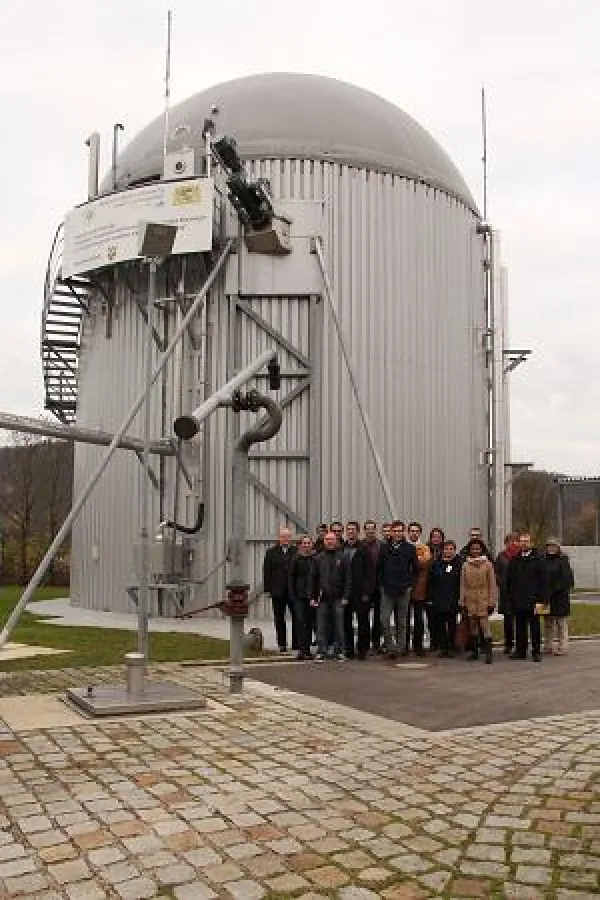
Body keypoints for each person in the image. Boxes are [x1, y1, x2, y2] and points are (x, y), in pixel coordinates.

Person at [377, 520, 418, 659]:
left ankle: (400, 648)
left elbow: (415, 569)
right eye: (395, 531)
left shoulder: (410, 549)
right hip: (387, 590)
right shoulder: (383, 548)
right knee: (384, 620)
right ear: (391, 532)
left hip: (403, 590)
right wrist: (382, 585)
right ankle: (390, 648)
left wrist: (409, 585)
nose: (398, 533)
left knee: (402, 621)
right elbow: (380, 568)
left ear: (403, 532)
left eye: (400, 530)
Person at [309, 530, 352, 661]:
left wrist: (346, 596)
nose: (330, 541)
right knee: (321, 626)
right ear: (324, 541)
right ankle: (321, 651)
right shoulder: (318, 558)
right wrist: (312, 597)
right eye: (327, 539)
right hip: (322, 599)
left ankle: (340, 651)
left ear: (336, 541)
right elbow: (313, 579)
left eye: (332, 539)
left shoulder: (343, 557)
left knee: (339, 626)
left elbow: (348, 578)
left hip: (338, 598)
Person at [506, 532, 548, 662]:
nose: (524, 544)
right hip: (518, 600)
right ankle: (520, 651)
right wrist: (511, 597)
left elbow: (544, 581)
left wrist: (542, 599)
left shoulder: (539, 559)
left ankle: (536, 652)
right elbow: (510, 581)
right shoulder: (515, 559)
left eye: (526, 541)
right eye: (522, 541)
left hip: (534, 600)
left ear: (531, 543)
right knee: (519, 627)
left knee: (535, 627)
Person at [460, 538, 497, 664]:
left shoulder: (488, 564)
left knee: (485, 625)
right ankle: (474, 652)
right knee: (473, 626)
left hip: (483, 597)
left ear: (482, 550)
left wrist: (492, 601)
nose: (475, 551)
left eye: (477, 548)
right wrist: (462, 601)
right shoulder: (465, 564)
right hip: (470, 598)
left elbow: (492, 584)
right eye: (473, 549)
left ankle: (488, 653)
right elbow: (463, 584)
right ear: (469, 550)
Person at [263, 527, 298, 653]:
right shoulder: (271, 552)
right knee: (279, 618)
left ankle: (296, 643)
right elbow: (267, 571)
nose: (285, 539)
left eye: (288, 537)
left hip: (293, 591)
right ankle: (282, 644)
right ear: (279, 538)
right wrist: (267, 589)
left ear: (291, 538)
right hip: (277, 591)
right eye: (283, 537)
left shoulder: (296, 551)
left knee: (297, 617)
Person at [350, 519, 382, 658]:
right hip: (363, 588)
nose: (370, 531)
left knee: (378, 618)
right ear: (364, 530)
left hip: (378, 586)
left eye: (372, 528)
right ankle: (363, 646)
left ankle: (375, 643)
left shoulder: (381, 546)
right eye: (367, 528)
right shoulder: (361, 546)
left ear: (375, 530)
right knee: (363, 618)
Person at [426, 540, 461, 657]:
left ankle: (451, 647)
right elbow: (430, 582)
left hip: (453, 600)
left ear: (455, 551)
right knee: (439, 625)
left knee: (452, 625)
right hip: (439, 600)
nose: (448, 551)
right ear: (442, 550)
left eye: (451, 549)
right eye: (446, 549)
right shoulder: (436, 564)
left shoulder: (459, 564)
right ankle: (443, 648)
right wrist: (430, 598)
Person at [542, 537, 574, 655]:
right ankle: (548, 645)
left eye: (553, 546)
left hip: (560, 597)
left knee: (561, 623)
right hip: (546, 597)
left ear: (558, 548)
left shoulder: (563, 560)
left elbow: (568, 580)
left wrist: (555, 588)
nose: (551, 548)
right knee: (548, 623)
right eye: (549, 546)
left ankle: (563, 646)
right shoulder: (543, 560)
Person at [288, 535, 316, 661]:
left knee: (309, 623)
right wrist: (292, 595)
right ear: (301, 545)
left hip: (311, 597)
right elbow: (291, 578)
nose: (306, 545)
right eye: (304, 543)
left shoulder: (315, 559)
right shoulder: (296, 559)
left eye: (308, 543)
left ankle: (307, 650)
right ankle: (301, 649)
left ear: (312, 545)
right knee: (300, 622)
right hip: (298, 596)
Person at [406, 522, 432, 655]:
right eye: (411, 531)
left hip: (419, 589)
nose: (414, 533)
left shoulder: (425, 548)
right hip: (404, 588)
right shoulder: (404, 546)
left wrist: (411, 560)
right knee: (404, 619)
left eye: (416, 531)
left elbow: (424, 562)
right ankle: (404, 646)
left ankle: (418, 646)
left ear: (420, 533)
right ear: (408, 532)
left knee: (418, 619)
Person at [494, 532, 521, 654]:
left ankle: (521, 644)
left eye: (515, 540)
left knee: (521, 620)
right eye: (509, 541)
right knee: (508, 621)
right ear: (506, 543)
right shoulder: (501, 556)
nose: (512, 543)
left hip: (520, 593)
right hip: (506, 593)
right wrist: (501, 583)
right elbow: (496, 572)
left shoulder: (522, 555)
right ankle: (508, 644)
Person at [342, 521, 362, 658]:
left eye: (353, 529)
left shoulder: (363, 548)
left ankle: (361, 649)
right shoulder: (341, 548)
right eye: (348, 529)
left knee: (362, 621)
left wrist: (367, 591)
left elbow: (370, 572)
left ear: (357, 532)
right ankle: (349, 649)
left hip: (360, 592)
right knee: (346, 622)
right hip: (345, 591)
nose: (350, 532)